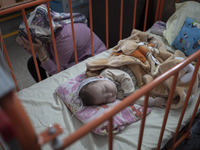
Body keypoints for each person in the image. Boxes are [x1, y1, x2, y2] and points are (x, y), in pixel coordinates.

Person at [16, 4, 106, 82]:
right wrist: (28, 46)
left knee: (53, 73)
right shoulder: (51, 29)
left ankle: (52, 88)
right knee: (33, 63)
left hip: (90, 59)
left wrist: (39, 51)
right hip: (73, 55)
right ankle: (45, 86)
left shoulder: (64, 36)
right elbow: (38, 53)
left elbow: (57, 72)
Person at [78, 67, 167, 107]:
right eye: (105, 99)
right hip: (141, 75)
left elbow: (124, 76)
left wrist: (129, 93)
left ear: (101, 78)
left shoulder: (107, 74)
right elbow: (134, 99)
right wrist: (152, 101)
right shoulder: (118, 95)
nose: (109, 94)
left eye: (105, 89)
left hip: (134, 66)